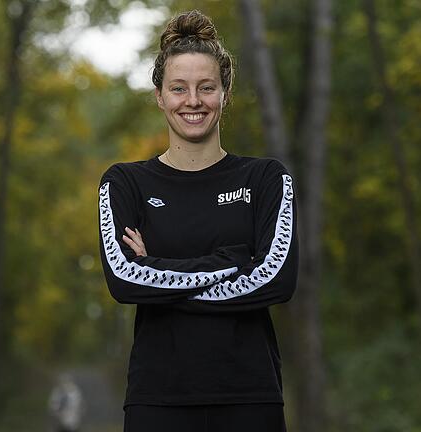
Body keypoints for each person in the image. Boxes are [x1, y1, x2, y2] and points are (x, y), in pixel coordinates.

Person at [97, 9, 297, 432]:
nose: (193, 101)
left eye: (206, 88)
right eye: (179, 88)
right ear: (159, 95)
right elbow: (123, 280)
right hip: (158, 400)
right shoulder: (125, 183)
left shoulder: (265, 178)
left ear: (225, 92)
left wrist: (157, 272)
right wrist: (234, 261)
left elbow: (277, 279)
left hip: (249, 396)